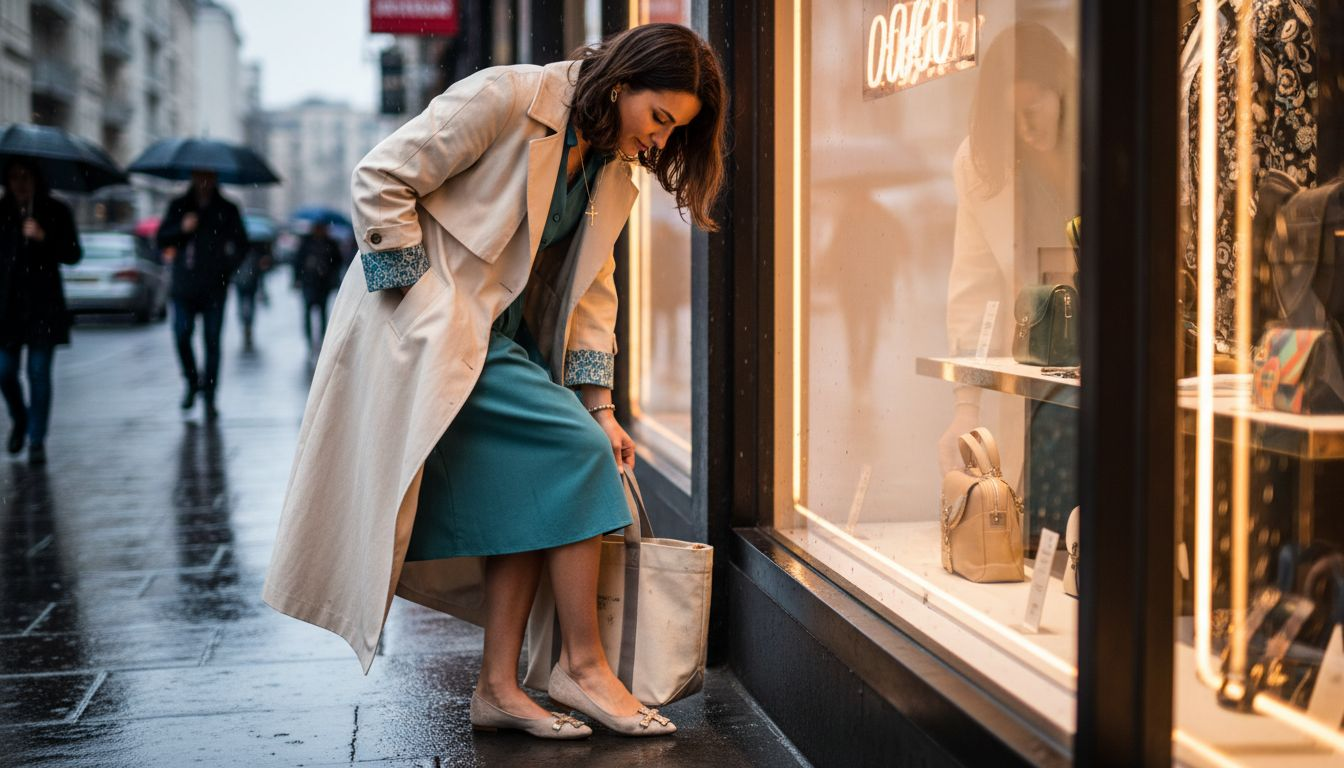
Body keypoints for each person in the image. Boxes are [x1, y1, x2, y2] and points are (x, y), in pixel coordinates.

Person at [263, 23, 726, 740]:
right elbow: (382, 177)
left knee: (534, 486)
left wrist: (601, 406)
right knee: (572, 453)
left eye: (674, 132)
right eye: (660, 119)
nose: (660, 142)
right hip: (433, 333)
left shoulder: (609, 168)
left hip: (497, 343)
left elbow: (596, 291)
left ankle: (499, 688)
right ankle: (582, 666)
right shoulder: (507, 96)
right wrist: (414, 300)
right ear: (623, 82)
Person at [0, 160, 82, 466]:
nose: (20, 184)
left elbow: (73, 254)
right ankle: (20, 419)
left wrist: (44, 238)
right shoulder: (2, 212)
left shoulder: (56, 211)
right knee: (5, 372)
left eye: (25, 177)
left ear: (36, 179)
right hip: (7, 309)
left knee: (38, 373)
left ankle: (36, 440)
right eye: (13, 177)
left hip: (43, 308)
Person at [156, 171, 249, 420]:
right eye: (199, 176)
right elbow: (161, 238)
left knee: (212, 342)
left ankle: (209, 396)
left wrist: (226, 267)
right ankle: (191, 381)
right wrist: (181, 228)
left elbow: (242, 244)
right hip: (183, 286)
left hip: (214, 287)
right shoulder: (179, 206)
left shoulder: (227, 208)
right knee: (181, 334)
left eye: (209, 176)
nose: (204, 181)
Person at [292, 221, 343, 353]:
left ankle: (321, 339)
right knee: (308, 311)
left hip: (323, 284)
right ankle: (310, 340)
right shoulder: (306, 243)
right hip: (309, 282)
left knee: (322, 312)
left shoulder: (330, 243)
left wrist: (328, 271)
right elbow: (297, 262)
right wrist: (297, 278)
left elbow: (338, 262)